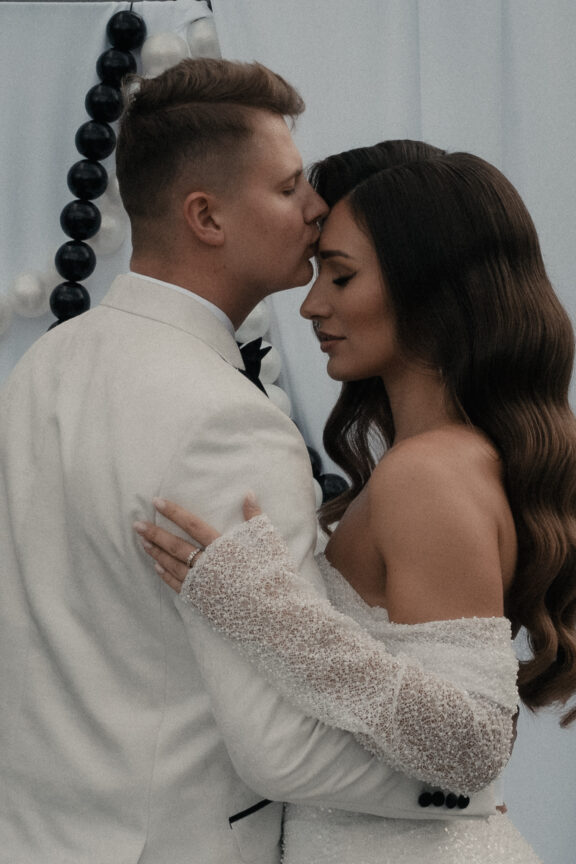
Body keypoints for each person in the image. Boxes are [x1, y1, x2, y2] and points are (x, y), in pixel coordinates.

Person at [0, 68, 496, 864]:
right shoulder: (227, 422)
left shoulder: (44, 364)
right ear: (206, 216)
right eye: (289, 186)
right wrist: (463, 794)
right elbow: (282, 752)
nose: (315, 208)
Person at [134, 140, 576, 863]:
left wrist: (265, 611)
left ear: (428, 286)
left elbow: (471, 745)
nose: (311, 304)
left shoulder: (427, 474)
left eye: (341, 276)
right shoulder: (435, 460)